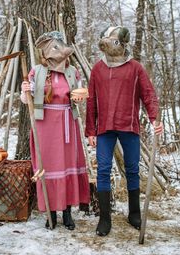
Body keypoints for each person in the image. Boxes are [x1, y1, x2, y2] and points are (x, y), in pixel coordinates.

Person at [85, 26, 163, 237]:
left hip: (129, 125)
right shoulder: (97, 69)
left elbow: (148, 94)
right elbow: (91, 100)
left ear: (122, 43)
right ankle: (104, 218)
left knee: (132, 169)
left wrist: (155, 117)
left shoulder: (135, 68)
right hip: (104, 129)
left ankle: (134, 214)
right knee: (102, 170)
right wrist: (90, 130)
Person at [21, 31, 90, 230]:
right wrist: (26, 90)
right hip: (45, 124)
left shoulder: (72, 71)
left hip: (67, 122)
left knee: (67, 164)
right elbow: (27, 100)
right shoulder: (37, 71)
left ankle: (67, 212)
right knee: (48, 166)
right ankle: (50, 212)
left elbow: (79, 93)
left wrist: (79, 98)